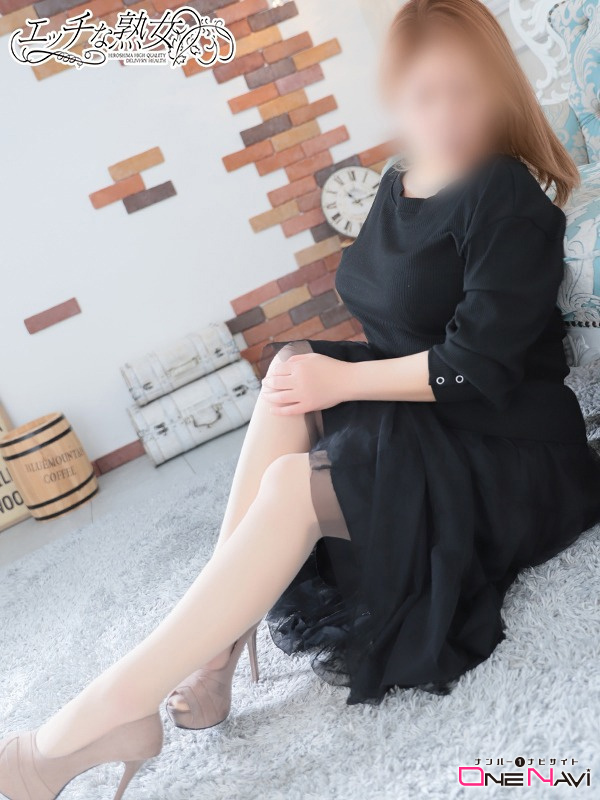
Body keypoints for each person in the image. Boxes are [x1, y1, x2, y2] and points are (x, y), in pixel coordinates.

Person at [2, 0, 599, 797]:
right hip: (430, 419)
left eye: (466, 90)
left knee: (294, 475)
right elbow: (390, 325)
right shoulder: (398, 182)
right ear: (398, 95)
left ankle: (89, 725)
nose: (447, 114)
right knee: (292, 364)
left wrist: (343, 382)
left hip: (513, 449)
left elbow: (476, 368)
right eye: (425, 93)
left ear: (500, 88)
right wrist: (325, 376)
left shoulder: (505, 193)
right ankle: (214, 656)